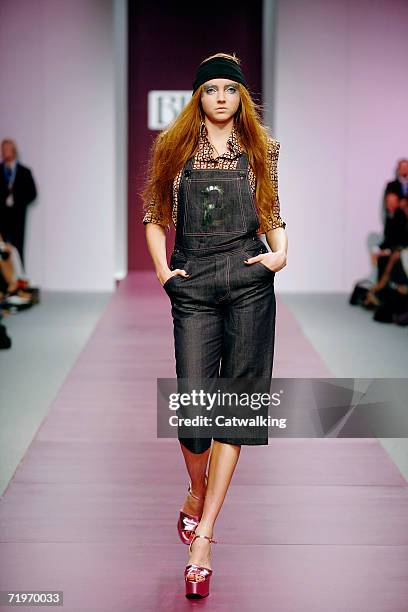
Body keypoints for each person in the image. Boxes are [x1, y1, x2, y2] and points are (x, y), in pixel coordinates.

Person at [142, 52, 288, 599]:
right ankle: (196, 492)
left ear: (242, 97)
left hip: (251, 280)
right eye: (211, 89)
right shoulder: (173, 149)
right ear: (198, 97)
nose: (221, 97)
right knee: (193, 410)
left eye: (230, 89)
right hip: (194, 284)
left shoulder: (262, 149)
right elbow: (156, 216)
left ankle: (204, 536)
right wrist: (163, 271)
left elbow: (271, 210)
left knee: (238, 410)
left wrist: (281, 255)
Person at [0, 139, 37, 267]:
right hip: (2, 216)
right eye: (3, 150)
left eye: (7, 149)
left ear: (14, 151)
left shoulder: (24, 172)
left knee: (18, 247)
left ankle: (19, 280)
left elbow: (33, 194)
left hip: (18, 216)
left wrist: (19, 202)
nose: (4, 152)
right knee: (2, 248)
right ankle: (4, 283)